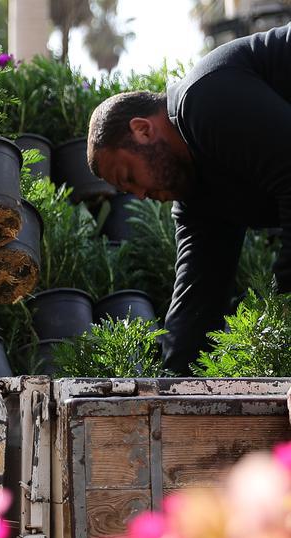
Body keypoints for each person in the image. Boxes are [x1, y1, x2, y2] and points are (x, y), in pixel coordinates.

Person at [86, 23, 291, 375]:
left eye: (129, 177)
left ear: (143, 129)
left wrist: (283, 309)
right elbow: (197, 297)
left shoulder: (203, 100)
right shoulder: (199, 198)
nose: (141, 195)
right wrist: (168, 395)